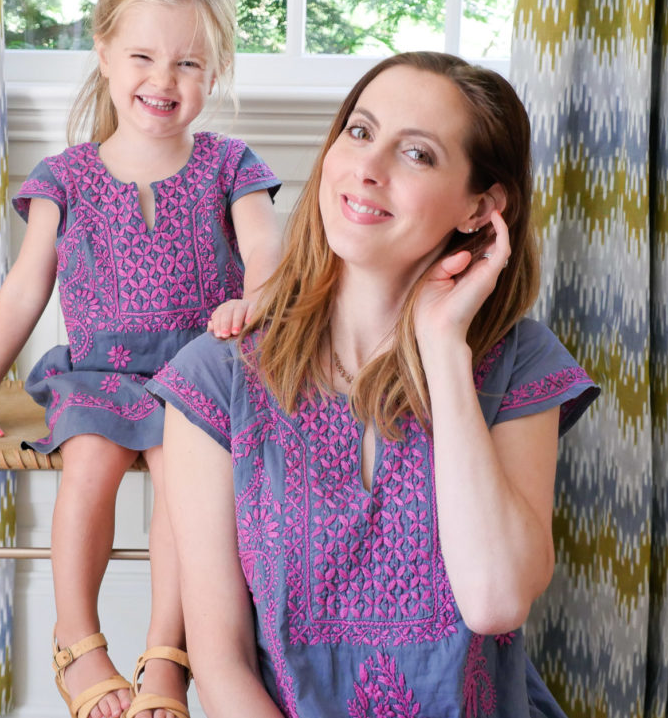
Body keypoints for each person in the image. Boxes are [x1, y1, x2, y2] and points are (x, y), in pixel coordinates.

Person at [148, 51, 600, 717]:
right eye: (359, 132)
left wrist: (443, 346)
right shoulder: (214, 379)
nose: (367, 167)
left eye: (416, 154)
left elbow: (496, 599)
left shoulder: (519, 362)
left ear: (481, 205)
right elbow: (222, 664)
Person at [0, 0, 281, 718]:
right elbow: (25, 288)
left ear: (214, 72)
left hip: (196, 379)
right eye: (144, 55)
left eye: (188, 62)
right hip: (99, 374)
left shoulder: (229, 164)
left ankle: (167, 655)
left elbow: (269, 250)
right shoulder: (67, 175)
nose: (163, 79)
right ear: (105, 50)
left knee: (184, 497)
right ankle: (78, 640)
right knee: (88, 464)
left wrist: (252, 301)